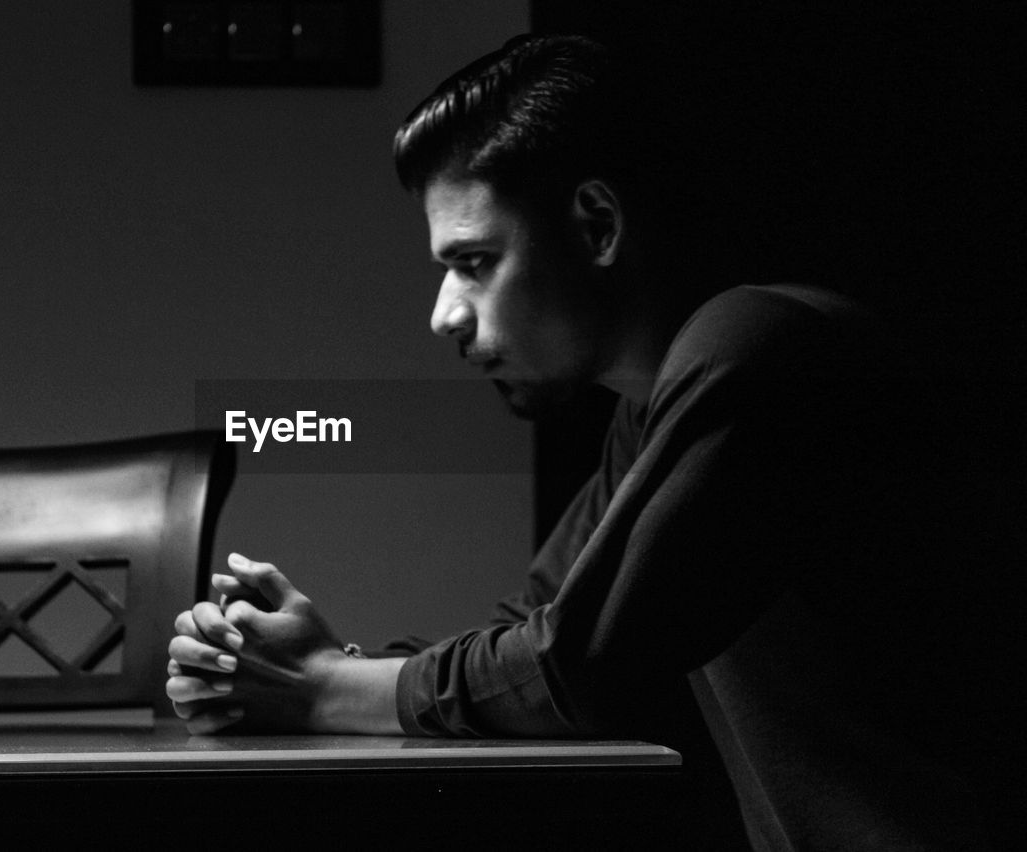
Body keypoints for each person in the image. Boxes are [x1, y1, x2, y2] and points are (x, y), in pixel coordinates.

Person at [166, 35, 1020, 850]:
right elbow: (533, 634)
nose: (444, 314)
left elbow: (579, 668)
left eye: (473, 261)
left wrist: (322, 692)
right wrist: (312, 670)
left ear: (598, 224)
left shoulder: (759, 348)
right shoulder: (654, 408)